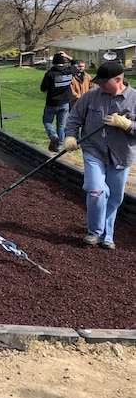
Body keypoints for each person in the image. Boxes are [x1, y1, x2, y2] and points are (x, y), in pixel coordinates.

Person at [64, 61, 136, 250]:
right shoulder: (91, 96)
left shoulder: (134, 99)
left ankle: (107, 235)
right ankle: (94, 231)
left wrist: (127, 125)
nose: (100, 85)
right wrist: (70, 136)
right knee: (96, 190)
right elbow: (74, 119)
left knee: (114, 198)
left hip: (121, 156)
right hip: (94, 151)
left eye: (105, 81)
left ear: (118, 79)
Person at [40, 51, 74, 152]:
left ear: (53, 62)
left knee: (47, 121)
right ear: (63, 62)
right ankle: (59, 147)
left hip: (52, 103)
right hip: (65, 104)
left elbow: (43, 88)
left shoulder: (50, 74)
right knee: (61, 125)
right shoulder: (69, 71)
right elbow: (75, 63)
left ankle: (53, 135)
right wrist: (67, 56)